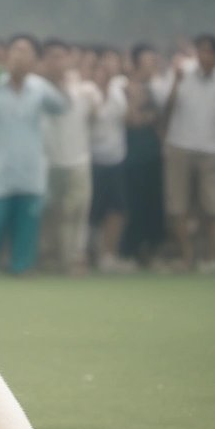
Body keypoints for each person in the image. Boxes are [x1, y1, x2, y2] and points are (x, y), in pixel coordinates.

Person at [0, 34, 68, 274]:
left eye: (26, 51)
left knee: (27, 226)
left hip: (30, 170)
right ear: (8, 55)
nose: (20, 55)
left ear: (34, 60)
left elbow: (62, 106)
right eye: (16, 50)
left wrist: (58, 75)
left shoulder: (38, 86)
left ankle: (22, 267)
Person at [161, 33, 215, 271]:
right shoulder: (181, 72)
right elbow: (166, 108)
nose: (203, 55)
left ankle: (210, 258)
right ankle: (186, 257)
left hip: (213, 150)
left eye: (209, 51)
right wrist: (175, 81)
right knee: (178, 205)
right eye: (200, 50)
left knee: (213, 206)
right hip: (180, 145)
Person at [41, 39, 98, 274]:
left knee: (76, 212)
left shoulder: (84, 89)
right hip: (47, 161)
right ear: (43, 61)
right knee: (50, 212)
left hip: (78, 160)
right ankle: (48, 257)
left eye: (61, 56)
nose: (57, 61)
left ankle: (74, 259)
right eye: (52, 57)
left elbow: (95, 116)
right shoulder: (37, 88)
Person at [121, 44, 165, 265]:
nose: (153, 65)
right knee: (134, 205)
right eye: (149, 60)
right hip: (131, 157)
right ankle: (130, 251)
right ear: (137, 62)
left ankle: (151, 250)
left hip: (152, 155)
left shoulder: (155, 89)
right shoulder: (125, 87)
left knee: (153, 204)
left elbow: (158, 122)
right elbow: (131, 120)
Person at [88, 55, 131, 271]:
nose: (103, 74)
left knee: (117, 208)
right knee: (90, 210)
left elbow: (128, 117)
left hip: (115, 158)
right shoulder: (84, 92)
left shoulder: (119, 91)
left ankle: (108, 256)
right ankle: (85, 255)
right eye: (99, 70)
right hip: (90, 159)